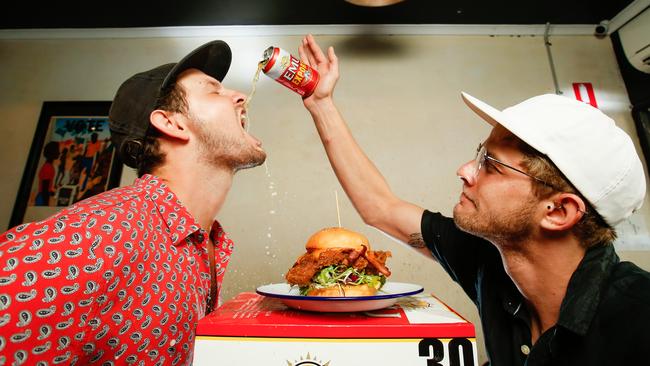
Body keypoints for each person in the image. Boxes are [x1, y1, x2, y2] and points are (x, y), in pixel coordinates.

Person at [298, 34, 650, 365]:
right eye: (478, 154)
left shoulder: (638, 320)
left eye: (490, 165)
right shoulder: (491, 260)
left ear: (559, 211)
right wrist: (321, 103)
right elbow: (380, 208)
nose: (464, 170)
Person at [0, 40, 265, 365]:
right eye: (213, 90)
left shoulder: (203, 241)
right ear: (172, 123)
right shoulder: (99, 234)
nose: (239, 95)